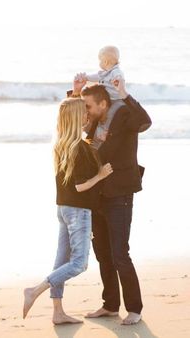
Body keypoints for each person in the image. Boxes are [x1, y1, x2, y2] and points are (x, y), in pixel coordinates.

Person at [68, 77, 152, 325]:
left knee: (119, 254)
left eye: (89, 106)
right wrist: (75, 94)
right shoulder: (92, 123)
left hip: (120, 196)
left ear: (103, 104)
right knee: (102, 253)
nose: (86, 111)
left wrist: (125, 93)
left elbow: (145, 121)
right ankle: (110, 305)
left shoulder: (124, 115)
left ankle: (134, 308)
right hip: (97, 196)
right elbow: (70, 124)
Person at [23, 98, 113, 324]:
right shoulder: (80, 147)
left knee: (61, 260)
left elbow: (71, 182)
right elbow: (79, 186)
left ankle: (58, 312)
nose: (87, 116)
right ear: (75, 118)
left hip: (63, 209)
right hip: (78, 211)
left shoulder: (62, 143)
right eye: (83, 113)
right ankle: (34, 290)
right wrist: (101, 175)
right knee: (79, 263)